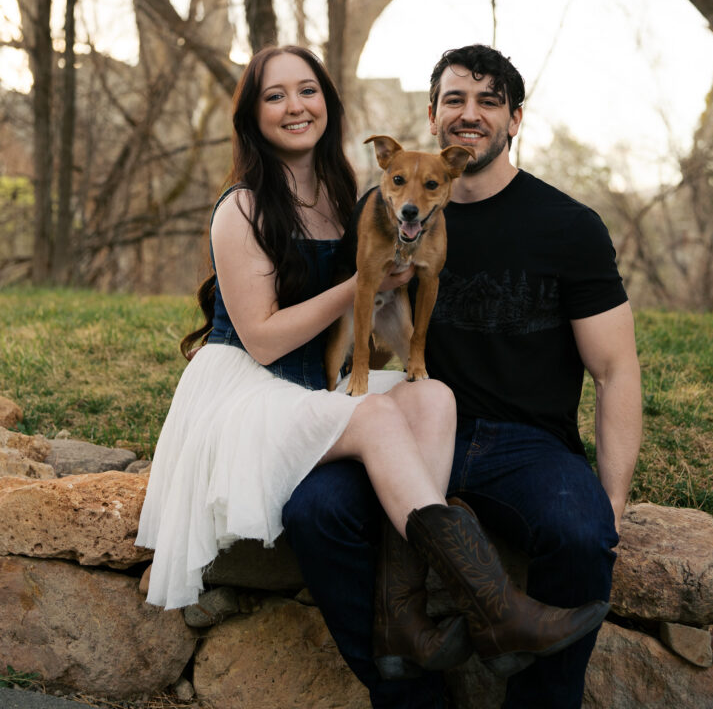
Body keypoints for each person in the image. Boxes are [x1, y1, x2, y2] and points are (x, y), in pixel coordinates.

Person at [136, 44, 604, 691]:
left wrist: (390, 304)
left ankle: (402, 610)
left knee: (435, 398)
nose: (295, 105)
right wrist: (367, 278)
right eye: (275, 96)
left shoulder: (342, 195)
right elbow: (267, 341)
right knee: (380, 414)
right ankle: (496, 607)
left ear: (327, 103)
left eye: (308, 90)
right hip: (249, 389)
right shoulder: (241, 207)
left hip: (311, 387)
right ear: (251, 116)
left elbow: (376, 309)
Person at [282, 43, 643, 709]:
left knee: (581, 533)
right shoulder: (386, 207)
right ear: (431, 116)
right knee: (314, 513)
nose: (469, 114)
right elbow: (338, 301)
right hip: (410, 427)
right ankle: (412, 700)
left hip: (523, 439)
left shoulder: (568, 227)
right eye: (454, 99)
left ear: (515, 119)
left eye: (488, 100)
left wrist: (612, 499)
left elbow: (617, 369)